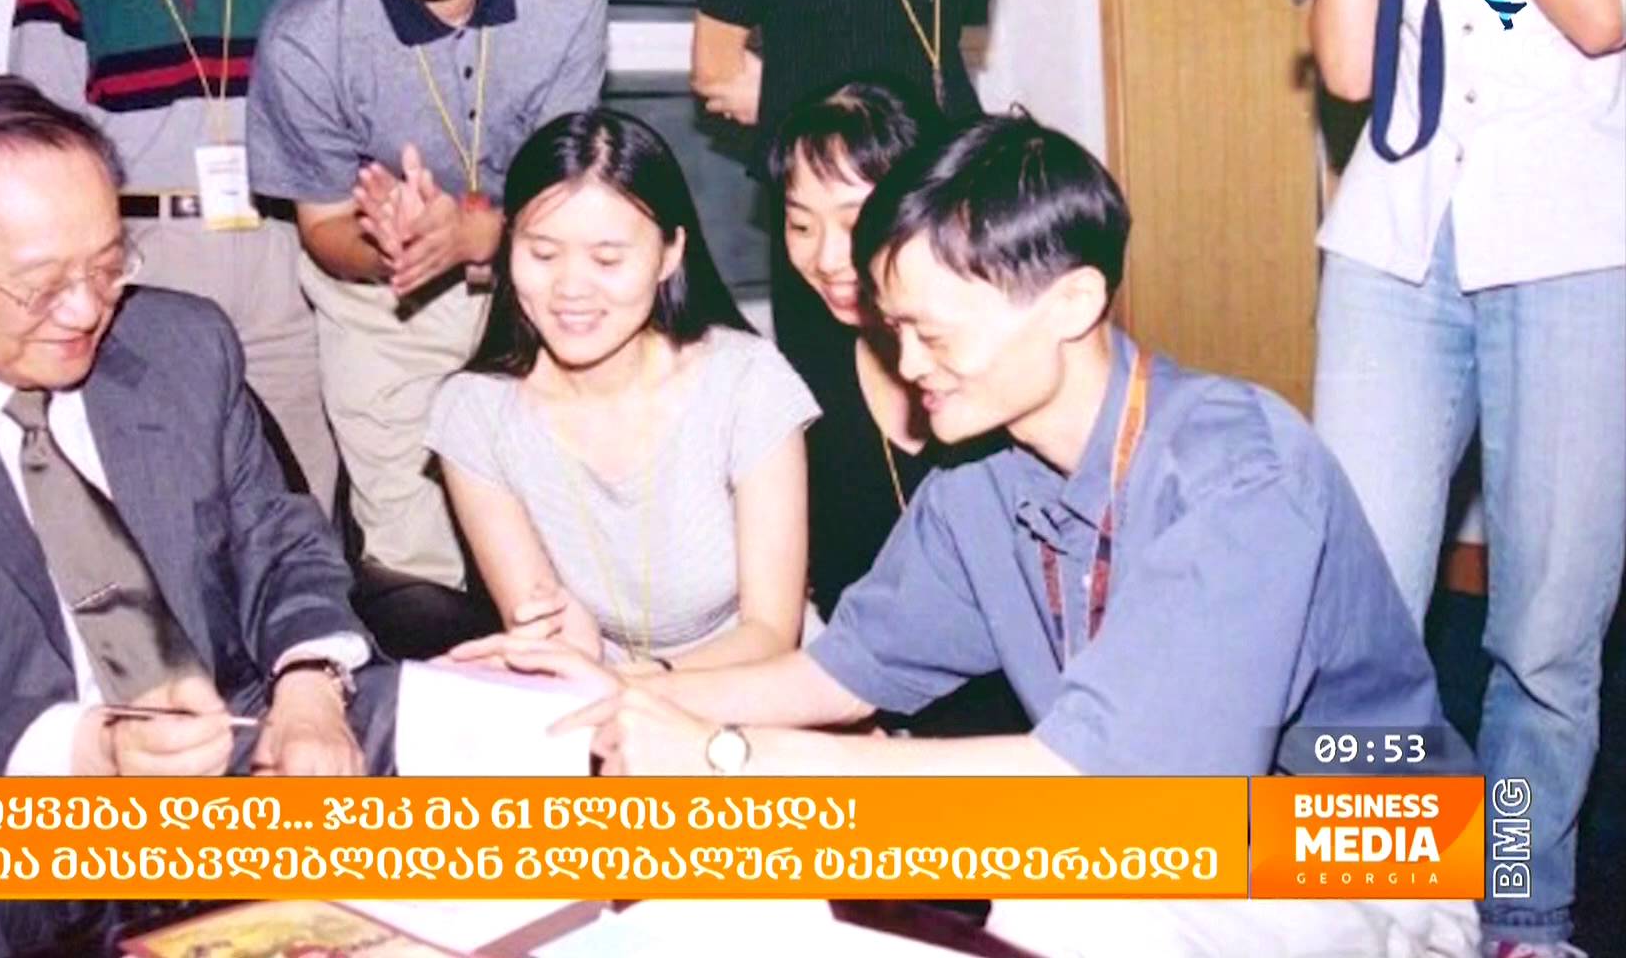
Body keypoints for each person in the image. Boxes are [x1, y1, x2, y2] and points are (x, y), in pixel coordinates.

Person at [461, 112, 1479, 957]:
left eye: (935, 333)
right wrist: (621, 697)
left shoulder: (1238, 471)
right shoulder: (982, 472)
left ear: (1073, 301)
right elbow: (839, 675)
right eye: (897, 330)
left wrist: (725, 754)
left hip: (1390, 846)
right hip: (1161, 835)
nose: (909, 365)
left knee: (1065, 904)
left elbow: (1099, 795)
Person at [0, 77, 395, 956]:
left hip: (218, 740)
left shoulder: (183, 344)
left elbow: (277, 541)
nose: (87, 309)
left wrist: (311, 686)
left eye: (107, 264)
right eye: (40, 284)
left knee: (477, 745)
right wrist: (94, 750)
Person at [1310, 0, 1624, 954]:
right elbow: (1350, 69)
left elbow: (1599, 9)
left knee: (1546, 636)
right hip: (1394, 241)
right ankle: (1367, 894)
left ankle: (1519, 902)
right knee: (1353, 613)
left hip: (1574, 244)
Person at [249, 0, 607, 595]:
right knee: (413, 554)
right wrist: (397, 247)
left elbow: (566, 195)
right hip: (384, 301)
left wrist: (479, 236)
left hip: (534, 272)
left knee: (572, 521)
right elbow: (323, 227)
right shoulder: (306, 33)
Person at [429, 109, 820, 674]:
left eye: (607, 259)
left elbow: (771, 634)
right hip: (592, 690)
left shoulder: (747, 382)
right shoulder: (476, 414)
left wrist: (640, 684)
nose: (570, 288)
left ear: (670, 254)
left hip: (753, 687)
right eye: (542, 254)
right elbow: (546, 634)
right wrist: (564, 644)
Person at [10, 0, 338, 511]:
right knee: (161, 484)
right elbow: (41, 145)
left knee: (302, 485)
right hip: (144, 257)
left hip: (278, 249)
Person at [767, 79, 1024, 737]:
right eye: (801, 224)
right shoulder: (802, 381)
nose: (827, 258)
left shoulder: (1013, 377)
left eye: (855, 222)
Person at [692, 0, 999, 409]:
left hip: (834, 183)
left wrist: (790, 92)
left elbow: (715, 73)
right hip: (949, 180)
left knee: (841, 410)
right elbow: (949, 36)